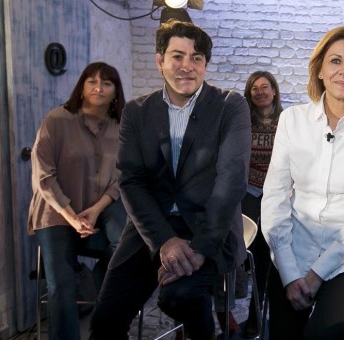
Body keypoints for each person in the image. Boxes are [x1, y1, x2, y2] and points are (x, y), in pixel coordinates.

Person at [89, 20, 251, 339]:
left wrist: (201, 248)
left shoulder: (230, 106)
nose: (186, 66)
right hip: (151, 226)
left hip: (208, 227)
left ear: (205, 65)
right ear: (159, 60)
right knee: (104, 323)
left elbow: (231, 181)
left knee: (179, 296)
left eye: (196, 58)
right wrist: (164, 240)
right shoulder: (137, 111)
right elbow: (131, 181)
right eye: (177, 56)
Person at [261, 26, 344, 339]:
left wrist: (314, 276)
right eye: (335, 61)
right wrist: (290, 271)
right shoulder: (292, 120)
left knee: (324, 335)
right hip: (293, 250)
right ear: (320, 69)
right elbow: (275, 198)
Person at [27, 61, 127, 340]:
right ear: (81, 88)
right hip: (56, 211)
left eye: (107, 83)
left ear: (115, 91)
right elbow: (43, 176)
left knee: (129, 244)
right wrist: (72, 217)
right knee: (61, 285)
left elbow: (121, 177)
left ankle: (101, 310)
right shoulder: (57, 120)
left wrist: (95, 211)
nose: (99, 87)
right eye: (92, 81)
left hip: (101, 207)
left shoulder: (122, 127)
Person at [241, 70, 284, 338]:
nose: (259, 92)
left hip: (276, 194)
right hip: (248, 192)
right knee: (248, 253)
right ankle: (243, 311)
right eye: (254, 88)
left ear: (274, 91)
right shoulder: (242, 120)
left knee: (266, 255)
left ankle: (257, 315)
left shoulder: (286, 121)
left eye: (264, 87)